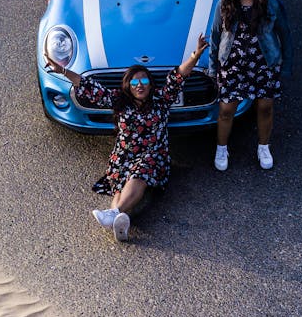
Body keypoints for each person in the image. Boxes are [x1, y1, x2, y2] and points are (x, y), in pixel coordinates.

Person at [44, 34, 209, 241]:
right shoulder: (119, 100)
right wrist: (63, 70)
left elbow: (178, 76)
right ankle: (117, 222)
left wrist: (195, 55)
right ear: (128, 86)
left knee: (139, 174)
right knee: (121, 186)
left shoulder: (162, 99)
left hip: (153, 156)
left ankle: (113, 214)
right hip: (123, 157)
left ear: (150, 84)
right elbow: (87, 86)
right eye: (135, 82)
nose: (140, 85)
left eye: (144, 80)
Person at [210, 0, 292, 171]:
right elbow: (216, 35)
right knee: (226, 110)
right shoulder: (226, 3)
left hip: (264, 63)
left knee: (265, 107)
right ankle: (221, 148)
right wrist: (213, 66)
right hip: (233, 64)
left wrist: (287, 65)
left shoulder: (270, 2)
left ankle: (263, 147)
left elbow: (285, 34)